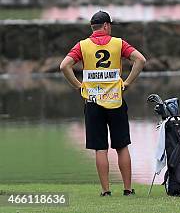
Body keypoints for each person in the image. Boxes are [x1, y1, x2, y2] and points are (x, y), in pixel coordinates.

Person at [59, 11, 146, 196]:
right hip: (115, 100)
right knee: (122, 146)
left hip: (93, 101)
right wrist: (128, 82)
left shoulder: (82, 46)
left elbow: (64, 66)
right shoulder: (118, 43)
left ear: (93, 27)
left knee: (100, 148)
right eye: (110, 25)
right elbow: (140, 59)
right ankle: (128, 189)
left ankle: (106, 191)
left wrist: (79, 87)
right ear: (106, 25)